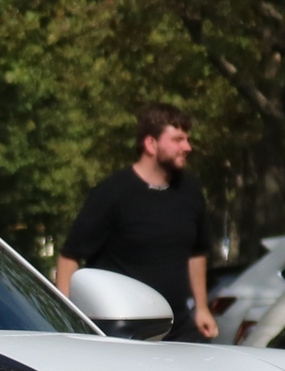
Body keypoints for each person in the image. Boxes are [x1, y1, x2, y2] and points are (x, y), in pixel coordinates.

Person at [55, 103, 214, 340]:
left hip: (178, 327)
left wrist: (202, 309)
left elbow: (196, 253)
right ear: (151, 144)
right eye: (178, 139)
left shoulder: (190, 191)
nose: (187, 147)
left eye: (187, 139)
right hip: (121, 332)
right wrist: (65, 318)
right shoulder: (113, 192)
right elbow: (70, 257)